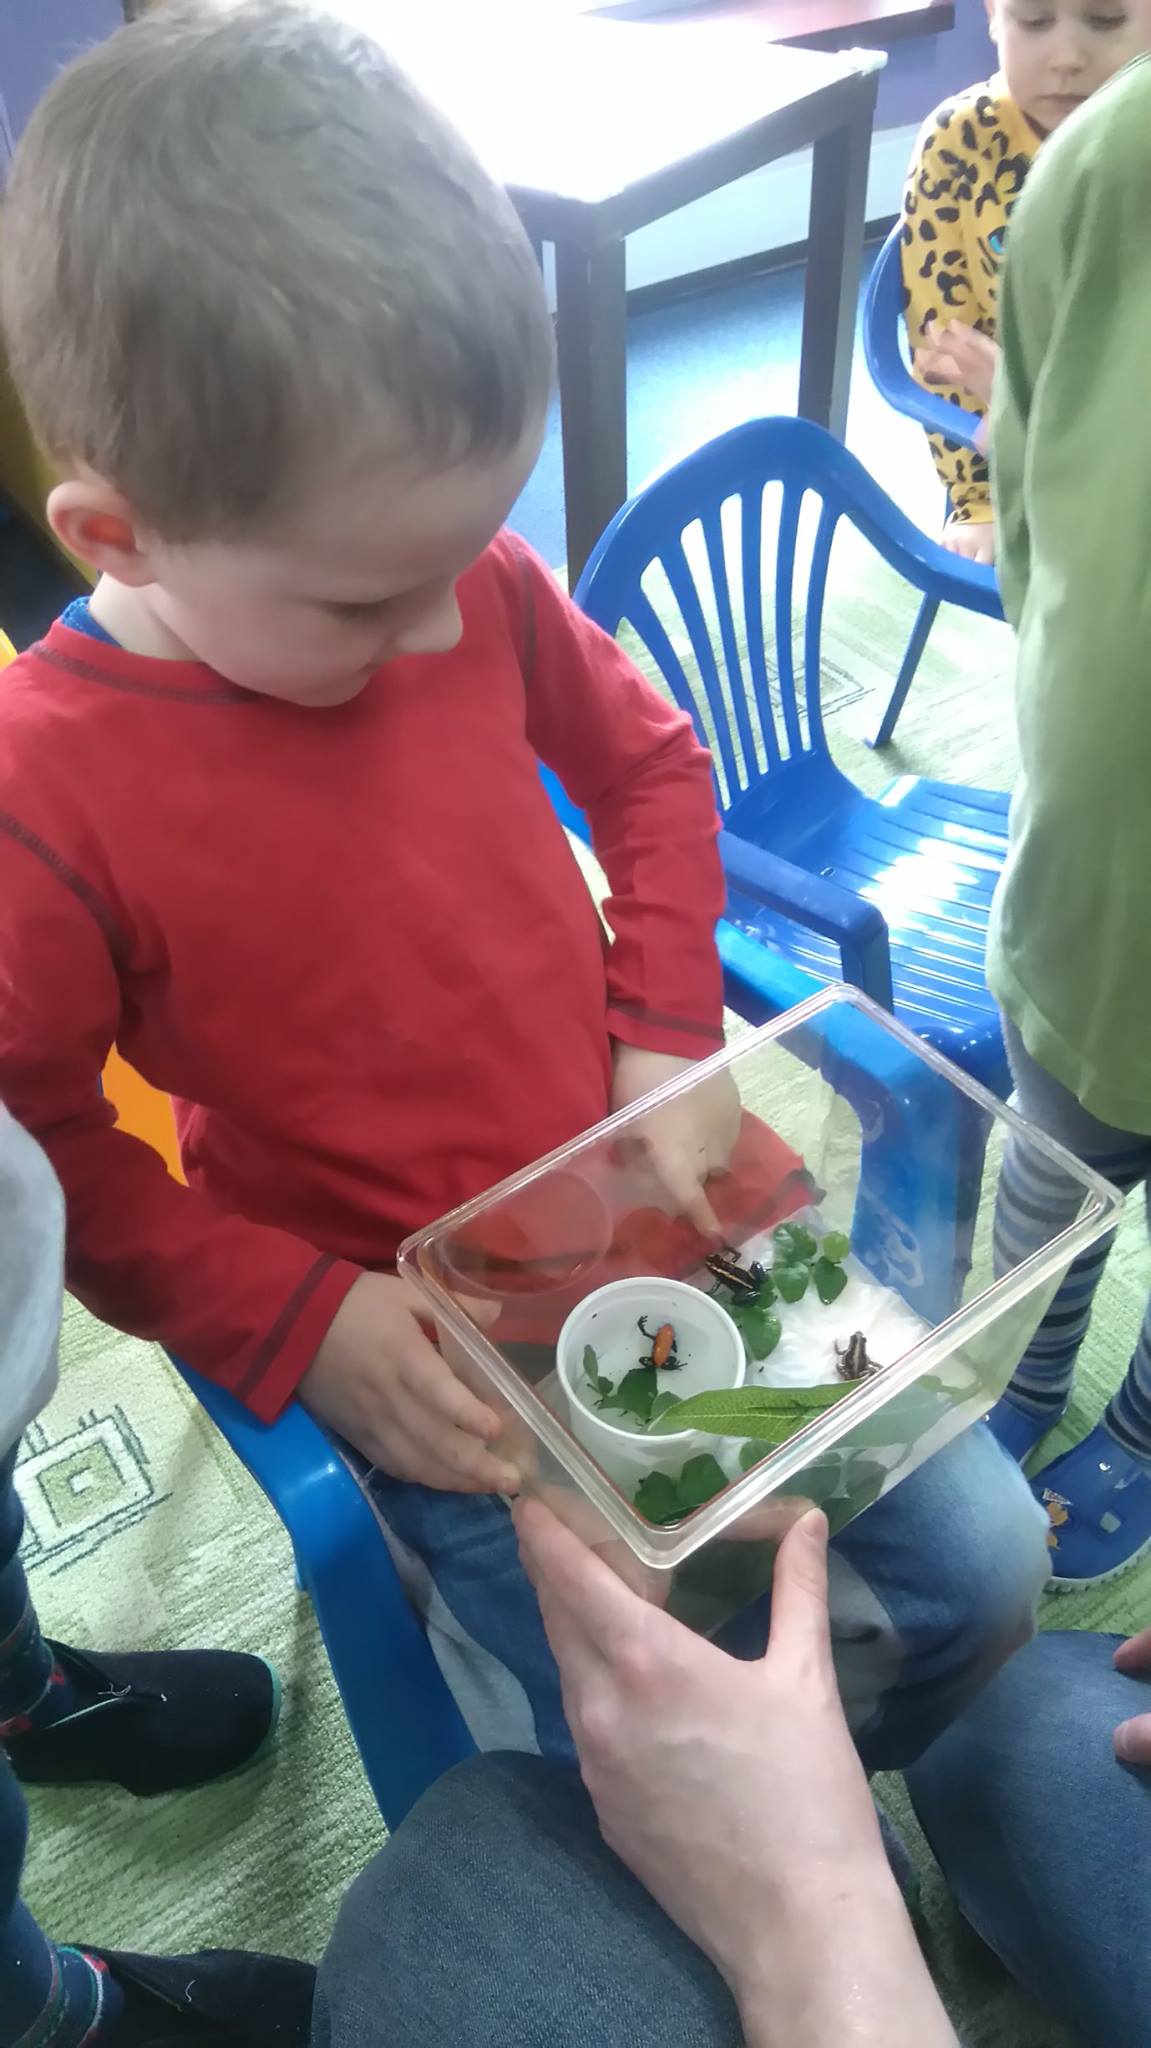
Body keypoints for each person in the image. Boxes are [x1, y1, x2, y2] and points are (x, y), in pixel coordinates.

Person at [0, 0, 1048, 1763]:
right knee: (641, 1722)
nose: (444, 630)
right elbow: (41, 1157)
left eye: (468, 549)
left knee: (987, 1565)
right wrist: (300, 1322)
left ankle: (856, 1789)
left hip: (663, 1205)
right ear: (118, 536)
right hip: (421, 1332)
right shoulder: (43, 790)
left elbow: (647, 766)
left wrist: (664, 1030)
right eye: (364, 601)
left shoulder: (455, 577)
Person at [978, 47, 1151, 1581]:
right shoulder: (1102, 163)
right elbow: (1020, 472)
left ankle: (1145, 1429)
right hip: (1091, 878)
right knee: (1048, 1164)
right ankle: (1022, 1377)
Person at [899, 0, 1149, 566]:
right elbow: (942, 350)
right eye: (1035, 22)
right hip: (1013, 453)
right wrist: (977, 499)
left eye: (1106, 21)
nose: (1067, 58)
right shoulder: (958, 144)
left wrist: (1028, 401)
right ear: (993, 14)